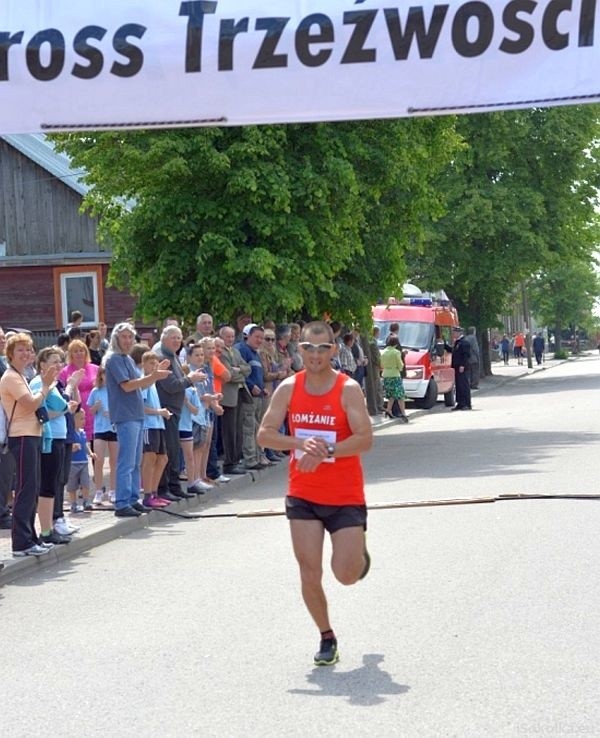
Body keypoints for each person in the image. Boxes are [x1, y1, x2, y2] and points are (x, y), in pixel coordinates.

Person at [257, 321, 373, 666]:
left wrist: (326, 449)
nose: (316, 355)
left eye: (324, 348)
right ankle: (326, 636)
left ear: (333, 351)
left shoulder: (348, 389)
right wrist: (298, 442)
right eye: (309, 348)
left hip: (345, 494)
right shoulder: (289, 389)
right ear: (300, 350)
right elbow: (264, 435)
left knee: (346, 575)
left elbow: (365, 439)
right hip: (303, 493)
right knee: (309, 571)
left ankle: (359, 553)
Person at [0, 332, 60, 556]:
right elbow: (30, 403)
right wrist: (45, 386)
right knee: (25, 488)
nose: (26, 353)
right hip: (21, 436)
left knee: (32, 487)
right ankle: (21, 542)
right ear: (11, 354)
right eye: (20, 350)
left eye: (28, 349)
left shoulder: (21, 375)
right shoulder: (11, 377)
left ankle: (29, 537)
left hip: (31, 434)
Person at [104, 322, 171, 518]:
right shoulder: (114, 360)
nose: (127, 341)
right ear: (116, 339)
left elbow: (140, 386)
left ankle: (133, 499)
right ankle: (122, 502)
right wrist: (152, 376)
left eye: (130, 337)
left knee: (135, 460)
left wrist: (154, 376)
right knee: (126, 461)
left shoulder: (128, 360)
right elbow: (127, 386)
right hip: (126, 415)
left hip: (137, 414)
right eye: (123, 337)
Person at [88, 366, 118, 505]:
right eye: (104, 375)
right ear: (100, 376)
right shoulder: (96, 391)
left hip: (114, 428)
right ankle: (98, 491)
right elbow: (90, 411)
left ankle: (113, 490)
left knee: (114, 461)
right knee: (98, 460)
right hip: (100, 428)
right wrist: (96, 407)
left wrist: (113, 414)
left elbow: (121, 409)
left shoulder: (116, 390)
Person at [67, 409, 95, 513]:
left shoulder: (83, 433)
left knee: (85, 482)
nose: (84, 421)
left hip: (83, 462)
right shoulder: (69, 433)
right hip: (72, 463)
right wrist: (72, 448)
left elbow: (85, 445)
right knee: (72, 484)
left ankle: (86, 501)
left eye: (84, 418)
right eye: (81, 418)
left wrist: (91, 453)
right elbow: (67, 447)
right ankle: (73, 504)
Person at [380, 334, 408, 422]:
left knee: (391, 394)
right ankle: (403, 414)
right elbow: (400, 365)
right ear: (396, 343)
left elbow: (381, 364)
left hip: (386, 374)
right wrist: (401, 367)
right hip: (395, 374)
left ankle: (388, 410)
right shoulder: (396, 352)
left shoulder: (383, 352)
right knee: (400, 395)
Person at [448, 327, 471, 411]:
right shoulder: (457, 342)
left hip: (462, 368)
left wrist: (462, 365)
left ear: (459, 333)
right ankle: (460, 403)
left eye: (454, 332)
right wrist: (445, 346)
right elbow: (454, 351)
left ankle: (466, 404)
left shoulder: (464, 342)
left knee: (464, 385)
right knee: (458, 386)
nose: (453, 334)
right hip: (457, 367)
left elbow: (466, 355)